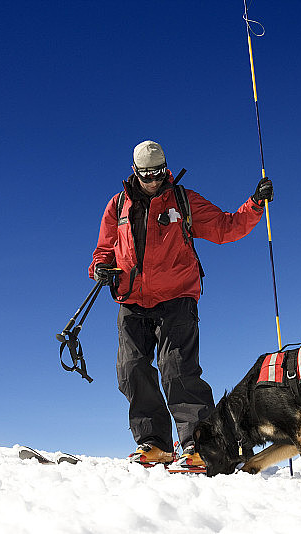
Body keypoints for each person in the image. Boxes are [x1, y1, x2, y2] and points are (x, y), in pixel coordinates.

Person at [89, 140, 273, 470]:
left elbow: (226, 227)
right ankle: (155, 444)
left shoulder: (183, 201)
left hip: (177, 298)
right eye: (146, 175)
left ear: (166, 169)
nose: (153, 180)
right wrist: (100, 267)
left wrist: (255, 204)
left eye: (158, 173)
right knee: (131, 369)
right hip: (131, 301)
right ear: (135, 172)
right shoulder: (118, 206)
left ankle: (200, 447)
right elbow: (104, 249)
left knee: (178, 370)